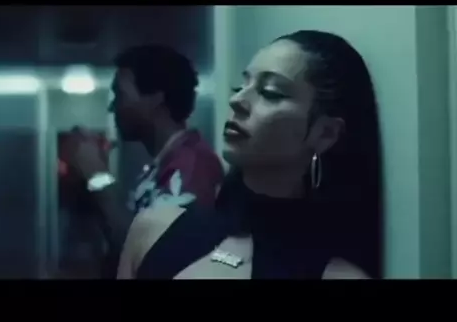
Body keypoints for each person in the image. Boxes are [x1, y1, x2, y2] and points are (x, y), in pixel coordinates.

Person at [117, 30, 383, 279]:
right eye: (240, 86)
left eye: (270, 93)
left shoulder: (339, 275)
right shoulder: (153, 229)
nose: (237, 101)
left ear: (325, 133)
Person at [65, 45, 224, 275]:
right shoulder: (163, 167)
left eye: (120, 95)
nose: (113, 107)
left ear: (155, 99)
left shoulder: (192, 167)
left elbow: (151, 254)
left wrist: (97, 174)